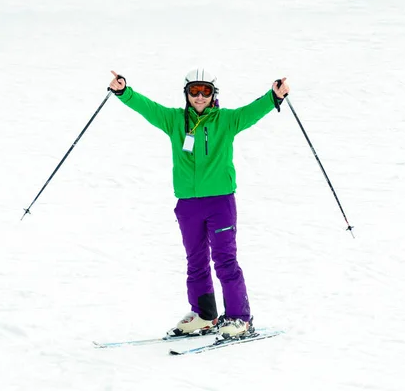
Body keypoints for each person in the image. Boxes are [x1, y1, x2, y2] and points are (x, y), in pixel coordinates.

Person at [108, 68, 290, 337]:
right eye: (194, 90)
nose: (200, 96)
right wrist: (124, 92)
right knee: (195, 260)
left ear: (213, 94)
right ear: (187, 94)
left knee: (225, 260)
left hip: (220, 202)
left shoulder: (227, 120)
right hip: (188, 204)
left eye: (205, 90)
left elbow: (253, 111)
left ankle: (239, 318)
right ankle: (204, 315)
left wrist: (273, 96)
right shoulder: (173, 120)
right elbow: (147, 108)